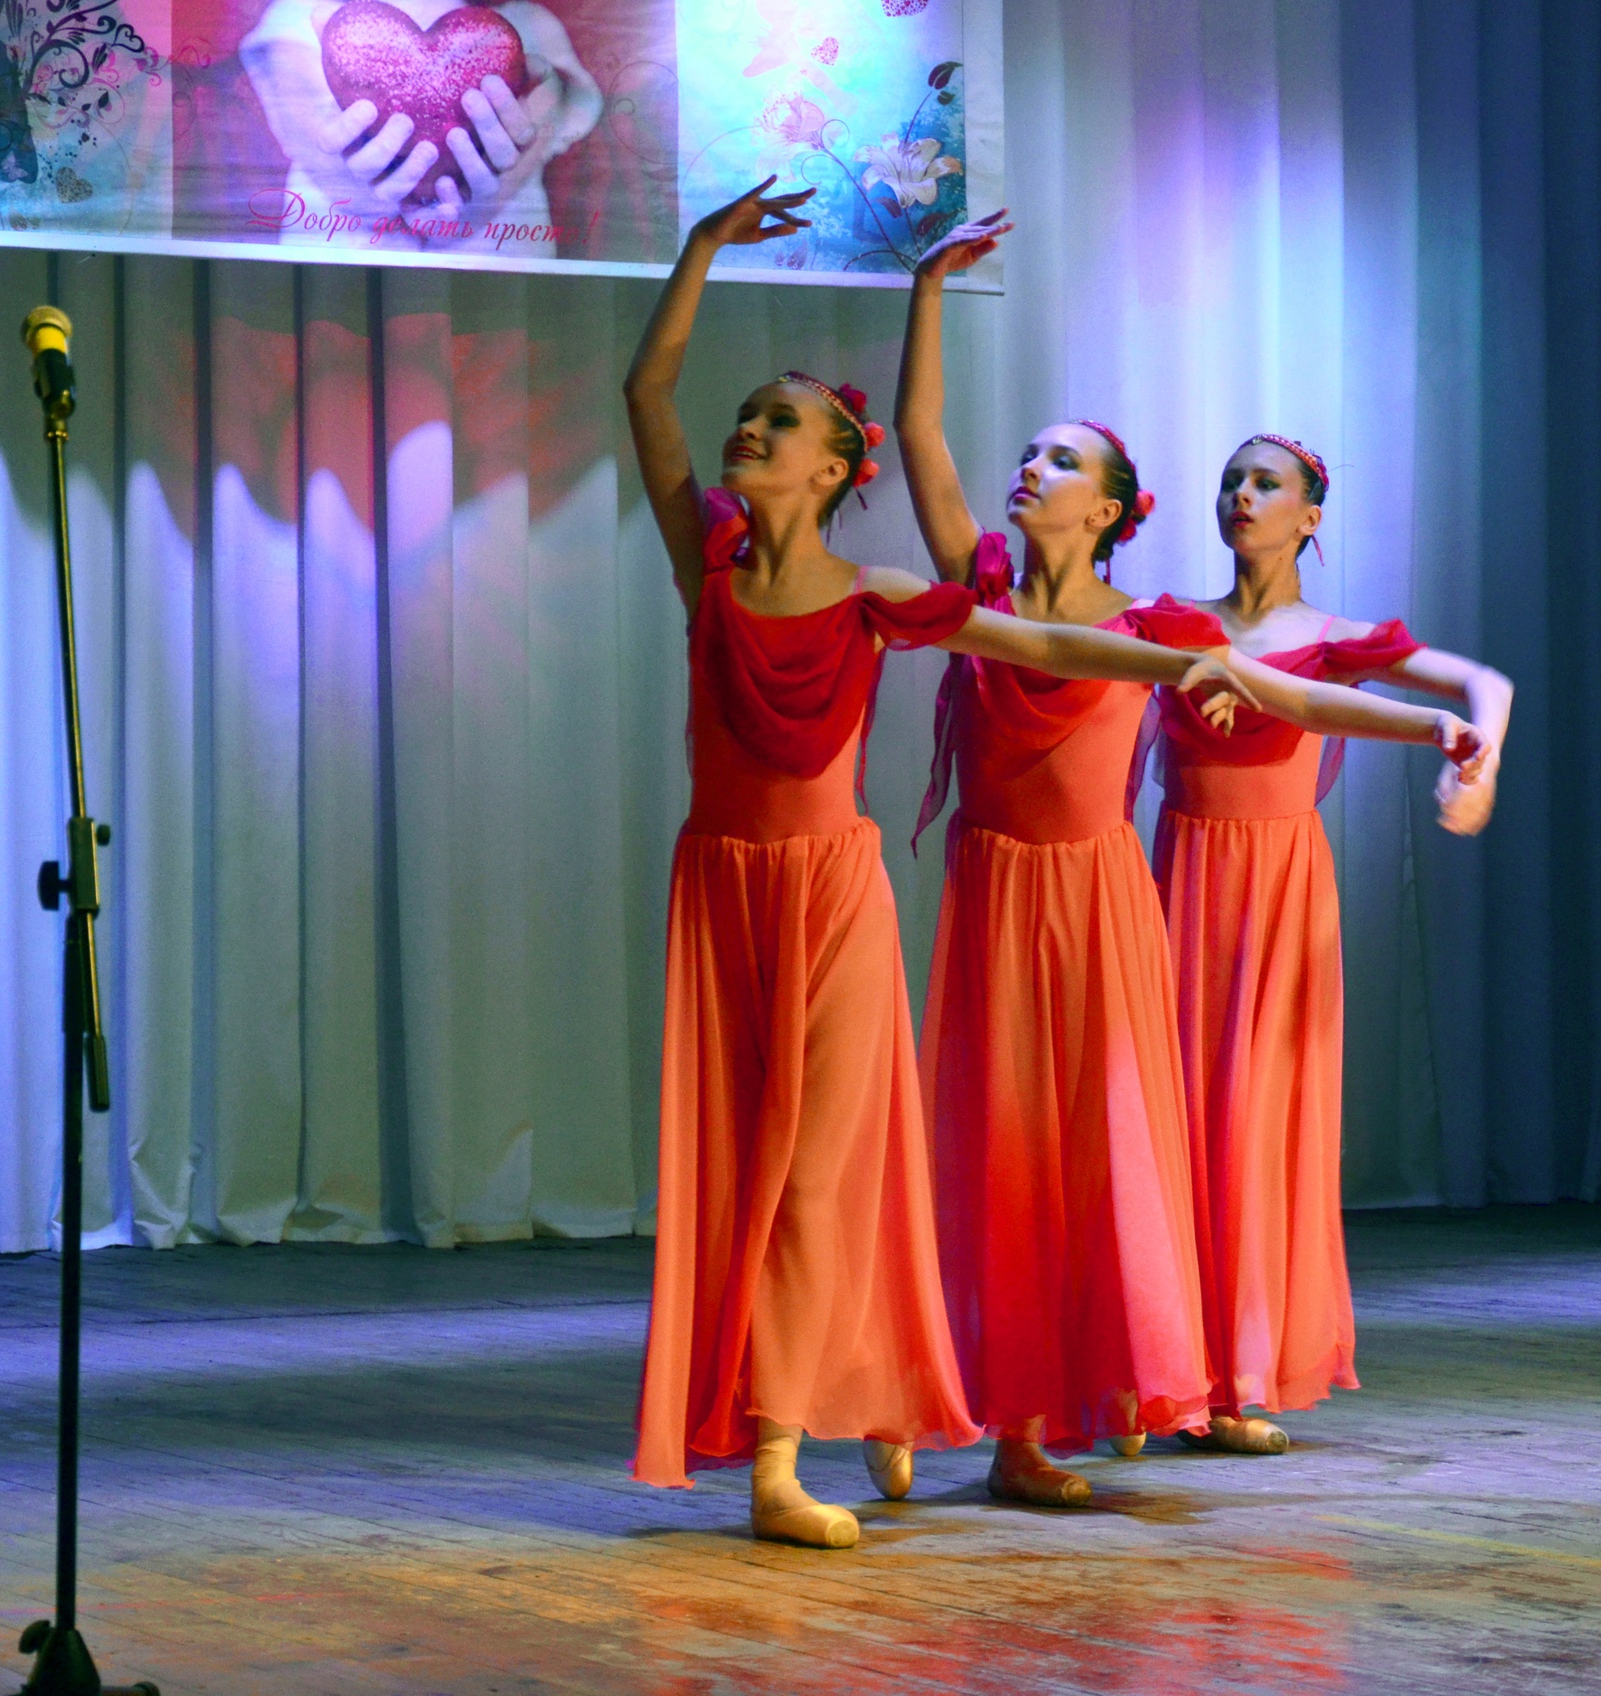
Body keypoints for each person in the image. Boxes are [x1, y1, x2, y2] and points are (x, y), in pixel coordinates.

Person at [623, 183, 1260, 1550]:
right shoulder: (710, 575)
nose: (749, 429)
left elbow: (1044, 647)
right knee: (745, 1174)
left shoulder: (878, 600)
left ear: (833, 470)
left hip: (836, 898)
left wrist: (1181, 663)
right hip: (723, 895)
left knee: (825, 1172)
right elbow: (647, 392)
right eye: (751, 414)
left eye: (779, 421)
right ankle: (872, 1389)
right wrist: (699, 250)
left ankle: (789, 1452)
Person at [897, 213, 1491, 1505]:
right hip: (996, 898)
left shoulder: (1157, 626)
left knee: (1099, 1156)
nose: (1029, 467)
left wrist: (1432, 727)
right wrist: (926, 289)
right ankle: (951, 1402)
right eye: (1028, 452)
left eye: (1060, 458)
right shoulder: (978, 586)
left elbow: (1300, 696)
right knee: (987, 1149)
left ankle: (1075, 1399)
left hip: (1102, 900)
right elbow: (920, 439)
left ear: (1109, 508)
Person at [1153, 432, 1514, 1455]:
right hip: (1182, 878)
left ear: (1310, 516)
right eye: (1231, 479)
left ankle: (1238, 1374)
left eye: (1265, 483)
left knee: (1256, 1122)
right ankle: (1156, 1369)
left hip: (1277, 890)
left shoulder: (1334, 637)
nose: (1242, 494)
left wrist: (1478, 767)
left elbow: (1485, 685)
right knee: (1170, 1118)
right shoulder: (1171, 625)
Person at [240, 0, 601, 256]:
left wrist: (463, 206)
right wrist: (387, 190)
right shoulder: (301, 19)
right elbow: (321, 156)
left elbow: (521, 151)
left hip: (490, 297)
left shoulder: (527, 31)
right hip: (343, 290)